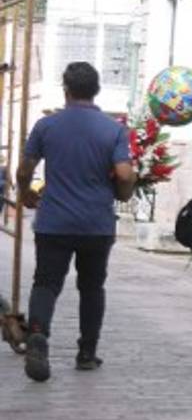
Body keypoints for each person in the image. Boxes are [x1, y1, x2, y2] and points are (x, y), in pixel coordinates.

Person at [16, 62, 135, 382]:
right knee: (92, 287)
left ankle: (38, 334)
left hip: (54, 221)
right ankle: (86, 353)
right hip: (96, 223)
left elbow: (25, 169)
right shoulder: (113, 129)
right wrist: (124, 193)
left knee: (46, 283)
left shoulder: (47, 126)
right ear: (96, 90)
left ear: (65, 90)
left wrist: (26, 194)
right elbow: (124, 174)